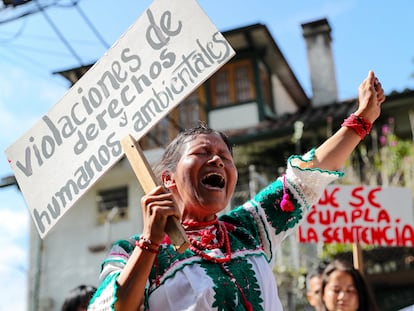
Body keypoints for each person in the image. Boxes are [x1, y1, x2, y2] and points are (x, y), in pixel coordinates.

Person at [88, 70, 385, 311]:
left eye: (226, 157)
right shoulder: (130, 253)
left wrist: (362, 120)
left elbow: (304, 178)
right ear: (168, 179)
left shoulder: (248, 229)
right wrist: (150, 242)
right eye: (203, 152)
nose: (217, 159)